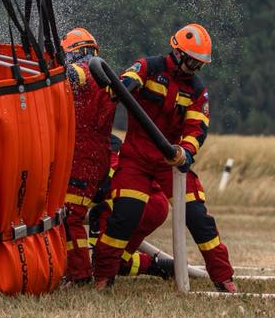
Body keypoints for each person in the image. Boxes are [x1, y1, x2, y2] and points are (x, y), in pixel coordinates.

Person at [92, 23, 238, 292]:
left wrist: (186, 152)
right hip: (136, 157)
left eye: (199, 66)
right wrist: (122, 86)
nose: (194, 70)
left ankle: (223, 277)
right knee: (125, 215)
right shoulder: (149, 67)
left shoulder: (197, 91)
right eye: (192, 63)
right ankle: (103, 276)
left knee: (197, 216)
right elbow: (126, 82)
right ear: (178, 52)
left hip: (170, 161)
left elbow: (197, 128)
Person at [59, 27, 122, 284]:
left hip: (83, 159)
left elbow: (68, 76)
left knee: (70, 216)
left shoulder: (85, 69)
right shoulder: (105, 77)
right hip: (92, 156)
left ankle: (80, 274)